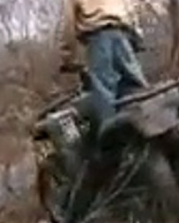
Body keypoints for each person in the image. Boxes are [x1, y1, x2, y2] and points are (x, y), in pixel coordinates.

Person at [60, 0, 149, 128]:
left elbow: (68, 25)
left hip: (98, 38)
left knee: (105, 94)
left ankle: (112, 140)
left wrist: (67, 57)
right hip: (122, 35)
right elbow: (130, 9)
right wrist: (136, 38)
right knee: (136, 86)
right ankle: (150, 127)